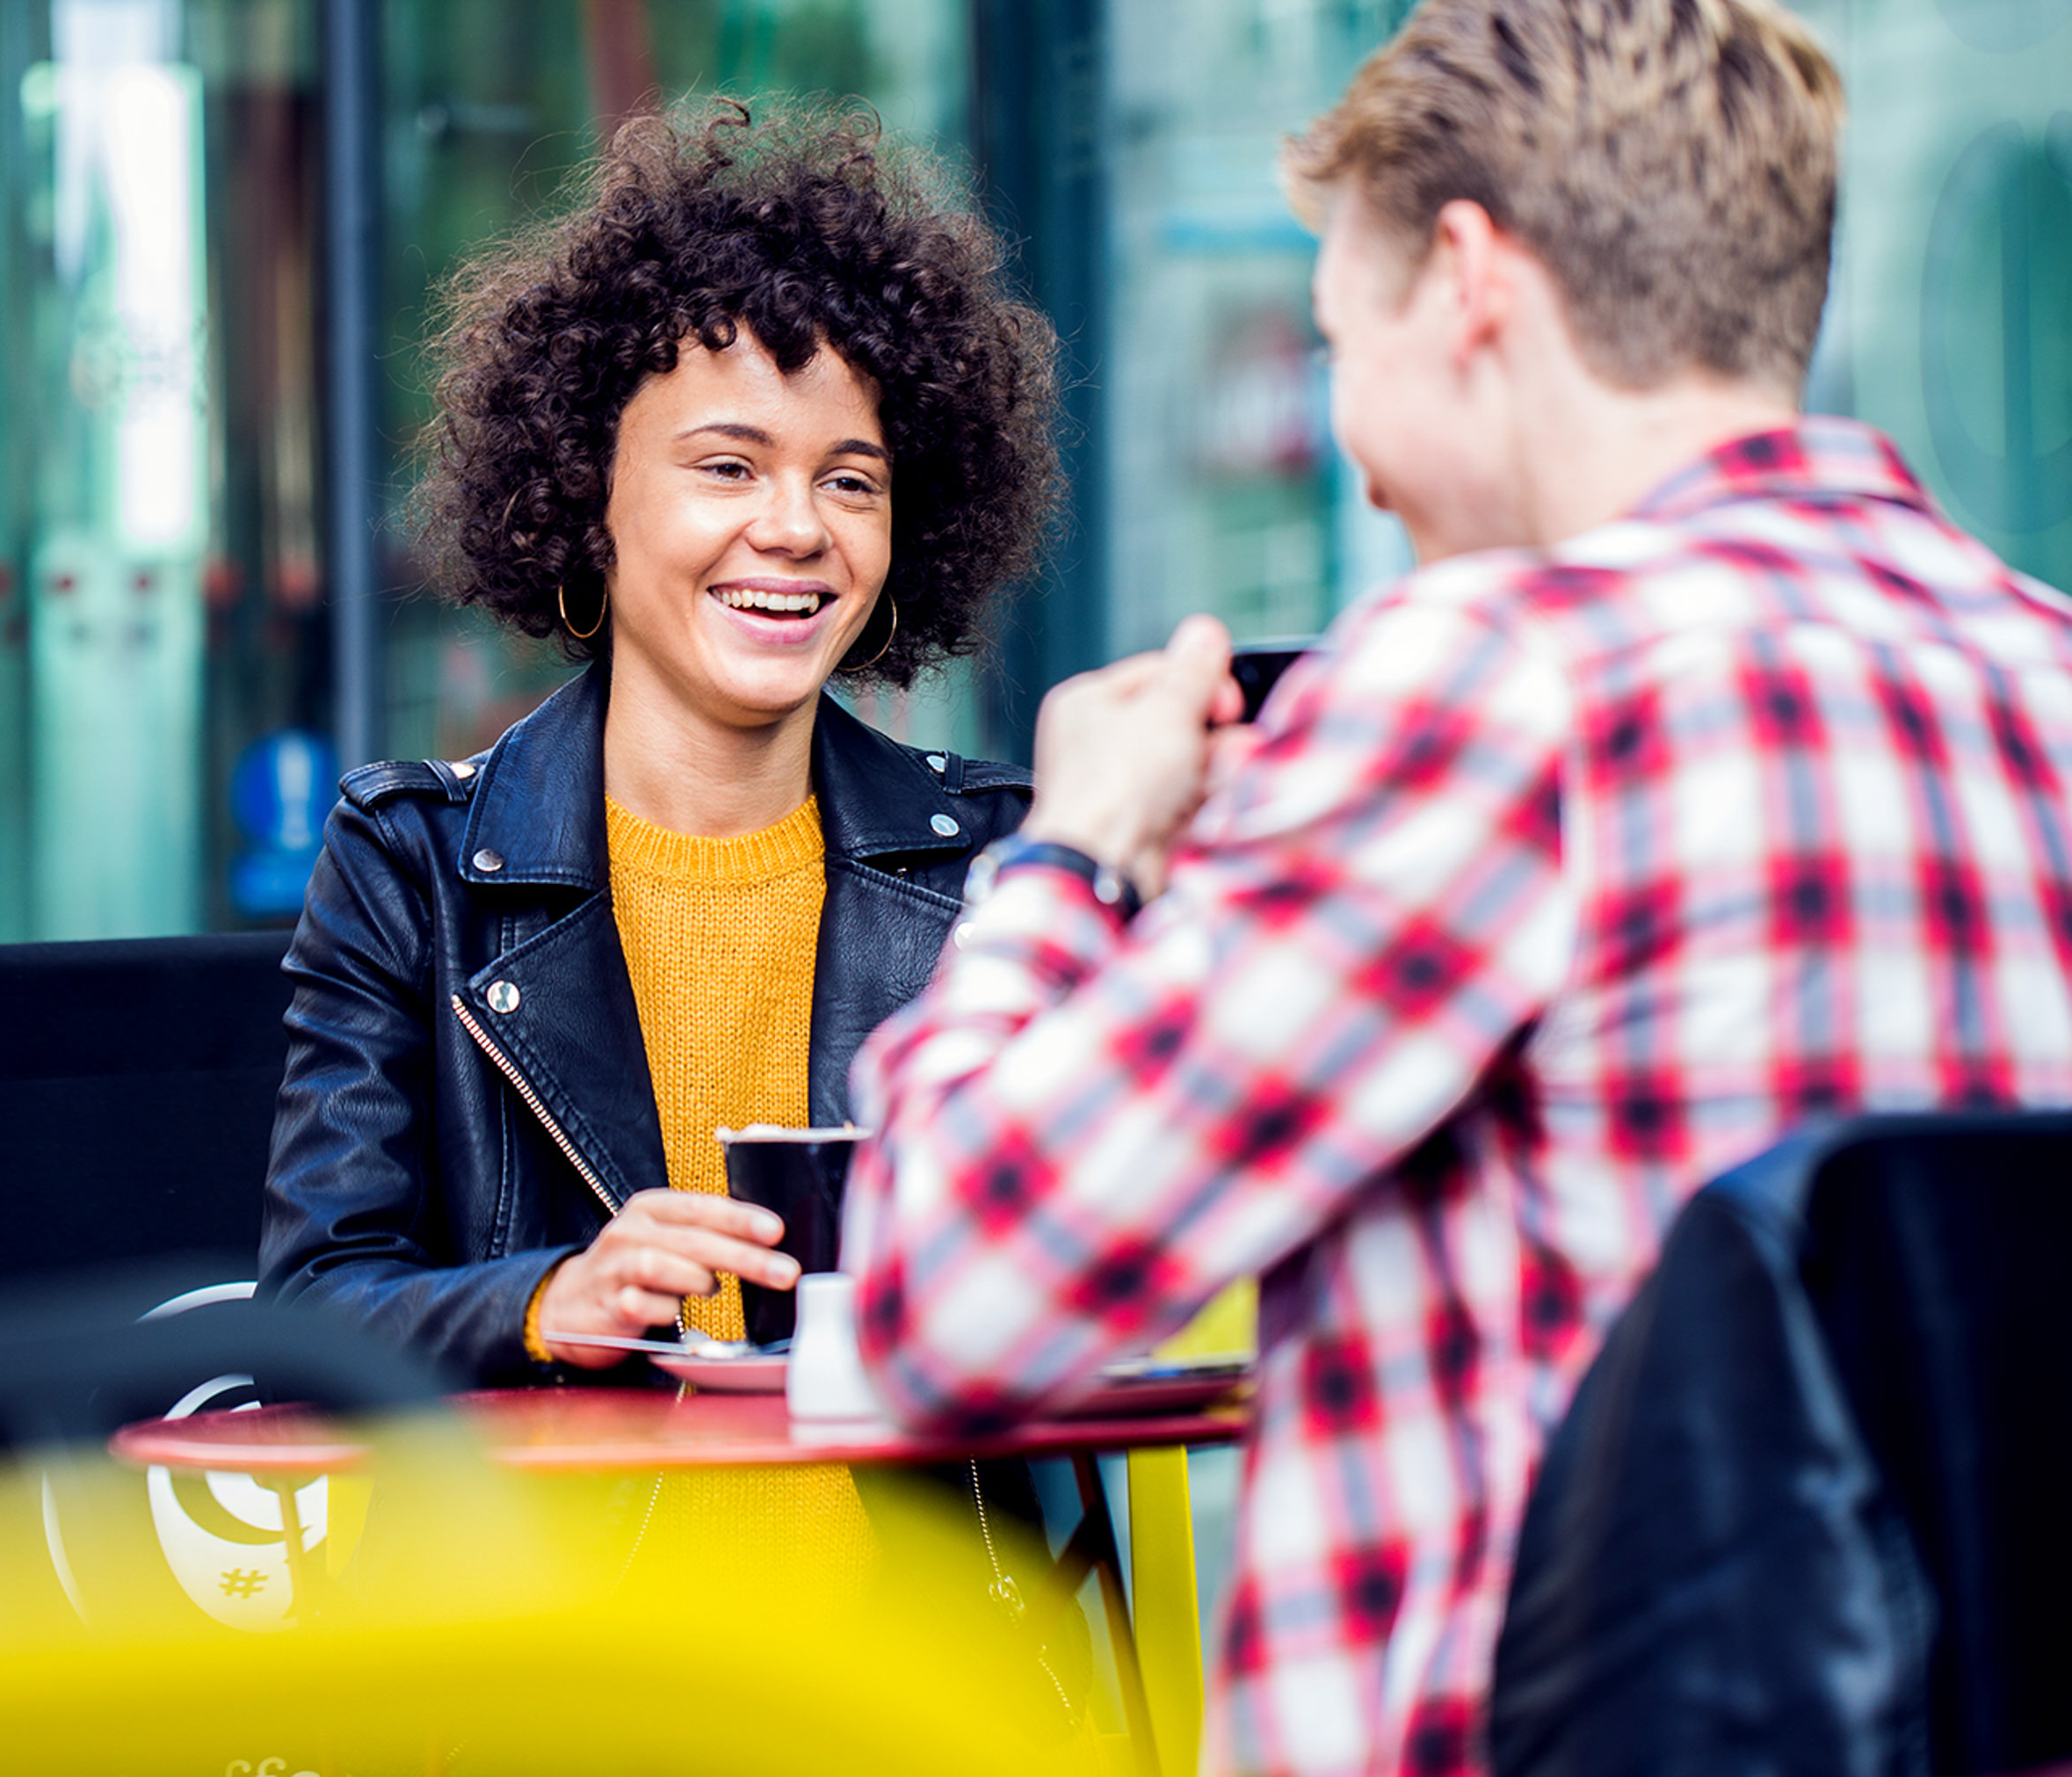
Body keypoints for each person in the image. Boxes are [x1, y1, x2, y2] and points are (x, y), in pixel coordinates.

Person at [840, 0, 2072, 1771]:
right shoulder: (2042, 679)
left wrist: (1071, 854)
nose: (1348, 445)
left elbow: (940, 1302)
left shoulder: (1495, 683)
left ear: (1467, 285)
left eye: (1340, 339)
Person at [259, 102, 1058, 1397]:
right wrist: (545, 1299)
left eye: (850, 480)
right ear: (590, 490)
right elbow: (307, 1314)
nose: (797, 527)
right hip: (572, 1602)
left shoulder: (1008, 861)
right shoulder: (413, 866)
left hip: (931, 1602)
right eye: (729, 467)